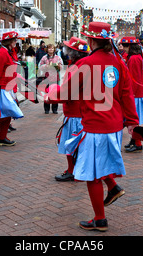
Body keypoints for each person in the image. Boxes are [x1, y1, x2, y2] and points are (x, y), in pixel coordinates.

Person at [46, 22, 139, 232]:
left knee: (91, 174)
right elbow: (127, 94)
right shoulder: (119, 63)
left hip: (94, 126)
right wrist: (132, 122)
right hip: (114, 125)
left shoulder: (84, 64)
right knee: (100, 165)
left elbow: (66, 93)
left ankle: (100, 219)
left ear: (90, 40)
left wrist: (50, 93)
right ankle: (113, 188)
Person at [53, 37, 90, 182]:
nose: (66, 51)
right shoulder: (80, 65)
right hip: (78, 111)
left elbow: (69, 92)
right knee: (75, 144)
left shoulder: (77, 67)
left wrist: (54, 96)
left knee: (71, 143)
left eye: (68, 49)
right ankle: (77, 170)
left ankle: (72, 171)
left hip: (75, 112)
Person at [121, 40, 143, 153]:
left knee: (133, 120)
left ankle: (137, 142)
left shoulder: (134, 58)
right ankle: (134, 141)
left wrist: (130, 94)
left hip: (135, 93)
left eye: (125, 46)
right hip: (137, 92)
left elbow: (132, 78)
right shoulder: (136, 57)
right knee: (134, 120)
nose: (123, 48)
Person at [38, 43, 64, 114]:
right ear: (47, 49)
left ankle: (54, 109)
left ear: (54, 49)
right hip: (46, 78)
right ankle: (46, 109)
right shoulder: (44, 58)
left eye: (52, 48)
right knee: (47, 93)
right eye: (49, 48)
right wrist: (46, 66)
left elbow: (61, 66)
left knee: (55, 93)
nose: (51, 49)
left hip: (55, 78)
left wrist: (58, 66)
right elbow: (40, 66)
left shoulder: (58, 58)